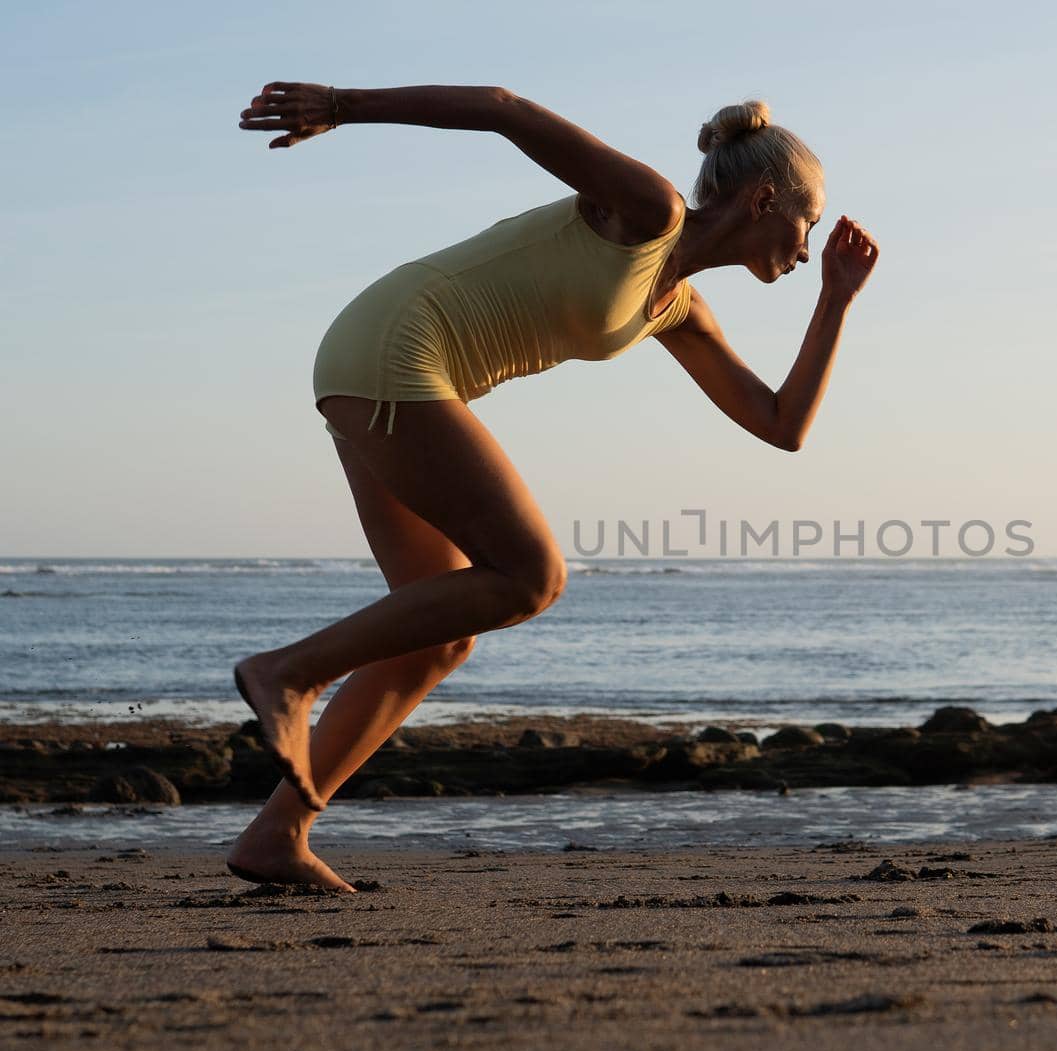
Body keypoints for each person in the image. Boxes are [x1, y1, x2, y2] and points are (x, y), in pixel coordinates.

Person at [229, 83, 879, 890]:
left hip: (379, 366)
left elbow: (780, 423)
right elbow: (507, 110)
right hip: (398, 348)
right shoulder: (648, 210)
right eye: (809, 222)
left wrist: (837, 301)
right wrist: (340, 105)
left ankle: (278, 831)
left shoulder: (677, 306)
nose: (810, 244)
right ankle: (287, 672)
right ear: (764, 197)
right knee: (533, 574)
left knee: (438, 636)